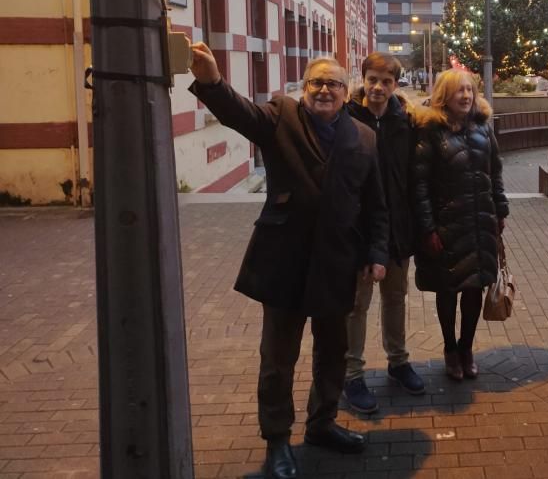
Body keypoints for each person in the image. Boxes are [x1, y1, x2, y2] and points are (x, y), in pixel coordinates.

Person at [188, 44, 389, 479]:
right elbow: (239, 113)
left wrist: (376, 254)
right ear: (304, 88)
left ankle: (322, 424)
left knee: (332, 352)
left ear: (345, 90)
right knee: (278, 357)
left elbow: (376, 206)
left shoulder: (365, 138)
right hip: (285, 260)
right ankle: (278, 439)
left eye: (333, 84)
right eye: (316, 82)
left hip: (338, 261)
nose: (324, 90)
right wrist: (211, 83)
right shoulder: (281, 116)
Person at [411, 69, 509, 381]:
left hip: (480, 221)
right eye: (459, 91)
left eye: (469, 90)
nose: (466, 96)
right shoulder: (430, 131)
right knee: (447, 288)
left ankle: (467, 348)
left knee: (474, 287)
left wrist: (501, 211)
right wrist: (427, 228)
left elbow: (495, 173)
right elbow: (420, 185)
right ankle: (450, 348)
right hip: (446, 226)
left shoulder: (483, 128)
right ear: (445, 96)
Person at [343, 52, 424, 412]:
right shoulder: (346, 119)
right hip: (358, 231)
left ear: (395, 85)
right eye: (372, 79)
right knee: (356, 305)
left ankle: (398, 361)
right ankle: (351, 374)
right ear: (363, 79)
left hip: (397, 229)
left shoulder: (404, 120)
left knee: (395, 297)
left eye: (386, 81)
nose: (377, 87)